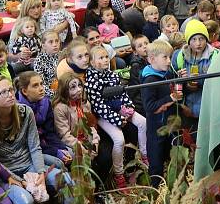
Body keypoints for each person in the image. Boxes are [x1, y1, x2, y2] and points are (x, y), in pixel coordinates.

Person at [0, 75, 75, 204]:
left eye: (11, 90)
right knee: (25, 203)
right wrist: (18, 181)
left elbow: (35, 147)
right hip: (6, 172)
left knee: (67, 181)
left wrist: (40, 173)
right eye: (3, 92)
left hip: (29, 163)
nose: (10, 94)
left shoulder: (25, 112)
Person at [85, 45, 147, 189]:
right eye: (101, 58)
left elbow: (123, 94)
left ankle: (144, 155)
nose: (106, 60)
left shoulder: (113, 75)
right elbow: (98, 106)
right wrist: (118, 120)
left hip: (119, 108)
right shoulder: (91, 82)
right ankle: (118, 174)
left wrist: (129, 108)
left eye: (106, 57)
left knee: (143, 122)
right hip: (103, 115)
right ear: (93, 63)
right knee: (119, 139)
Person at [140, 40, 182, 184]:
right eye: (165, 57)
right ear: (152, 59)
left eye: (169, 57)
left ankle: (175, 181)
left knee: (173, 150)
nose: (169, 61)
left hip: (170, 122)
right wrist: (169, 98)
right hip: (156, 127)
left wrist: (180, 80)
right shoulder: (150, 80)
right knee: (156, 157)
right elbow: (149, 106)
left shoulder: (167, 73)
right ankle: (155, 187)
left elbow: (174, 88)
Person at [16, 71, 72, 168]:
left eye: (41, 84)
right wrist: (56, 152)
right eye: (35, 86)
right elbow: (30, 143)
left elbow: (50, 133)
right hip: (30, 150)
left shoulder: (46, 103)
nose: (41, 88)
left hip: (45, 143)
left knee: (70, 153)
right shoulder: (19, 111)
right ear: (24, 91)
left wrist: (62, 148)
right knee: (59, 163)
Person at [172, 20, 217, 119]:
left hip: (207, 106)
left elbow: (219, 84)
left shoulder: (216, 56)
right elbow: (172, 82)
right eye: (194, 39)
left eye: (201, 39)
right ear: (188, 41)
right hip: (185, 105)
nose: (198, 43)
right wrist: (181, 80)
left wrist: (200, 82)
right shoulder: (178, 56)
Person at [33, 30, 60, 97]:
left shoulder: (63, 55)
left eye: (57, 41)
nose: (55, 44)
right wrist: (56, 94)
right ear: (44, 45)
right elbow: (41, 85)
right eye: (51, 42)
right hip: (50, 93)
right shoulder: (39, 61)